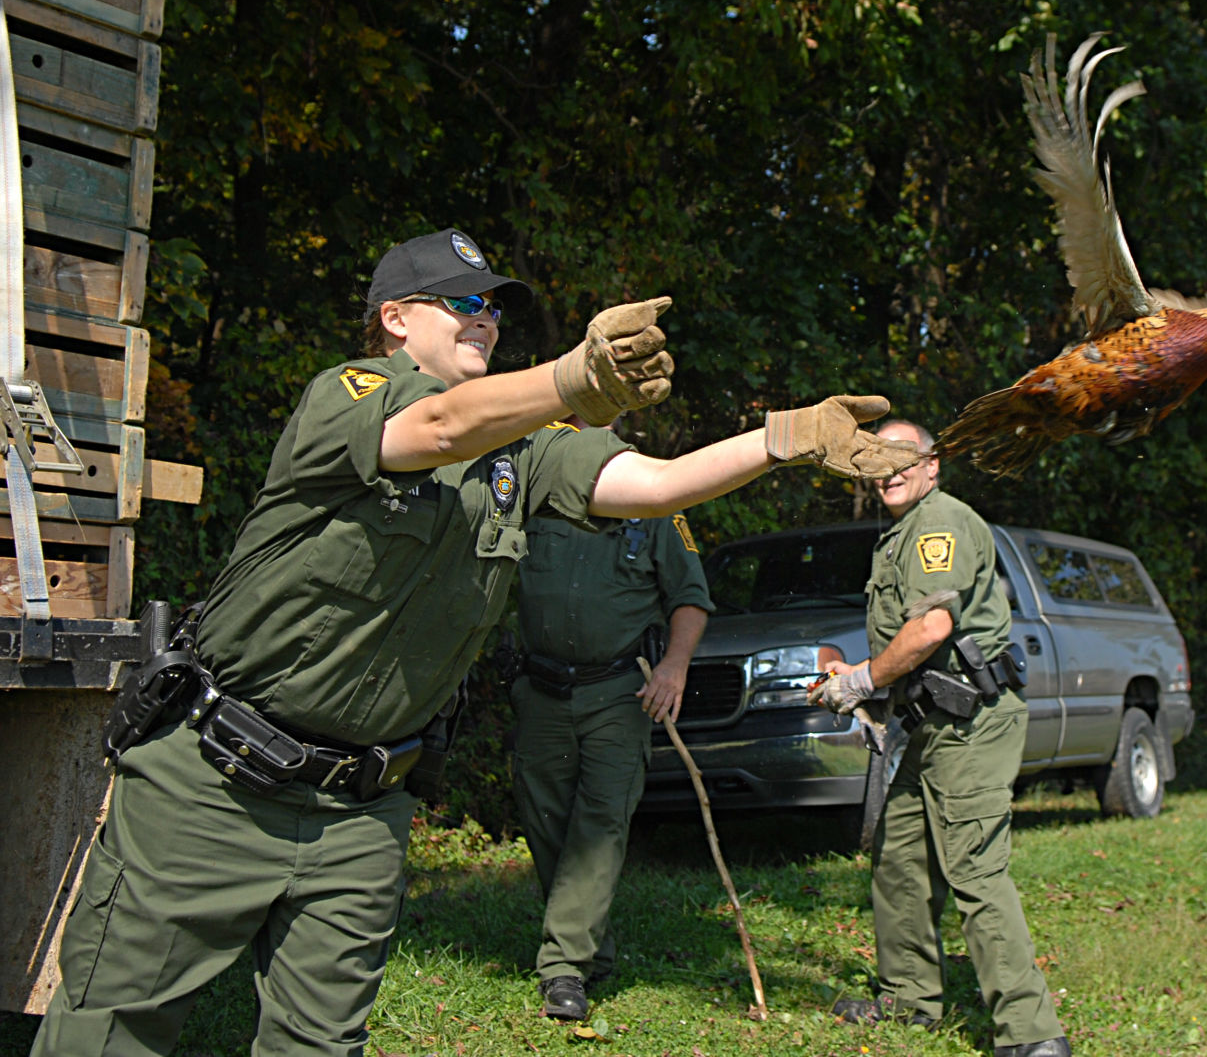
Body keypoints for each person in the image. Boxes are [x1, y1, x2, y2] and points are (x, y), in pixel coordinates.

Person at [33, 226, 918, 1055]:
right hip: (216, 786)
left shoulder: (522, 454)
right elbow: (438, 427)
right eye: (463, 302)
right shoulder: (351, 394)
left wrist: (781, 437)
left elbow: (657, 485)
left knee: (320, 1042)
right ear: (395, 318)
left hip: (362, 810)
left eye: (493, 306)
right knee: (108, 1031)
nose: (485, 318)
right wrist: (578, 376)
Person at [814, 420, 1069, 1057]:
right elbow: (908, 646)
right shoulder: (898, 533)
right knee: (900, 859)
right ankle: (909, 1000)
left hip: (972, 726)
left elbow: (930, 629)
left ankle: (1033, 1036)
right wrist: (857, 675)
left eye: (905, 457)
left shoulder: (938, 524)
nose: (891, 469)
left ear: (933, 466)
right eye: (878, 458)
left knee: (974, 870)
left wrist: (863, 682)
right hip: (929, 724)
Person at [511, 481, 712, 1021]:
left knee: (601, 821)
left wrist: (674, 666)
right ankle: (587, 946)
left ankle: (563, 966)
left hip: (619, 692)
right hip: (540, 688)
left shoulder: (657, 502)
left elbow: (690, 598)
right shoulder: (537, 494)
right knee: (546, 819)